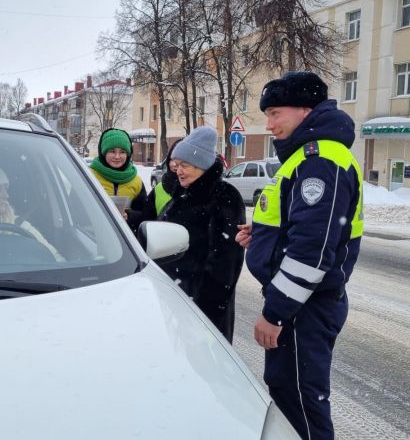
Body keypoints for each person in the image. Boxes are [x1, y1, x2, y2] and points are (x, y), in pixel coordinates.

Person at [234, 72, 363, 440]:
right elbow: (303, 227)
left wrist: (275, 313)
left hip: (303, 307)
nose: (269, 124)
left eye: (275, 113)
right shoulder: (307, 155)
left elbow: (312, 251)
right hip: (302, 304)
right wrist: (263, 239)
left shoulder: (320, 159)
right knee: (289, 393)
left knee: (301, 403)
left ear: (306, 110)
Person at [157, 126, 246, 342]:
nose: (178, 171)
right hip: (175, 297)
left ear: (203, 166)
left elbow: (226, 262)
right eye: (177, 165)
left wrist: (203, 309)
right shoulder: (183, 194)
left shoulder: (224, 197)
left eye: (185, 165)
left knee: (204, 367)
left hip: (201, 307)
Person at [89, 128, 146, 233]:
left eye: (122, 152)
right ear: (103, 152)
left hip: (124, 241)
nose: (117, 156)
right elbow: (74, 208)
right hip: (90, 237)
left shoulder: (136, 181)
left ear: (128, 154)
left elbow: (144, 214)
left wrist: (129, 216)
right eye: (112, 151)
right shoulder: (89, 176)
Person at [139, 139, 182, 223]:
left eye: (180, 160)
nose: (174, 164)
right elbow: (146, 220)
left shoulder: (197, 190)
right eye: (172, 159)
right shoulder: (159, 188)